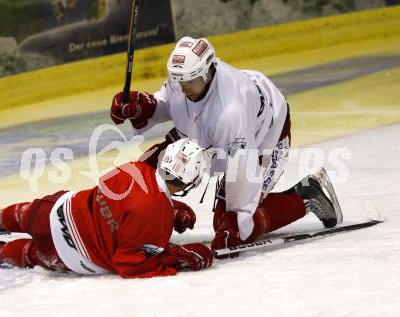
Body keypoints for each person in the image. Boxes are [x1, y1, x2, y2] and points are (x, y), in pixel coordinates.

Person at [109, 36, 343, 257]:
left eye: (188, 81)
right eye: (178, 80)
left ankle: (306, 195)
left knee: (238, 228)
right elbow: (171, 102)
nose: (182, 88)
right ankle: (128, 218)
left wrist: (235, 222)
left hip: (263, 139)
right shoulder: (187, 76)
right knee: (145, 172)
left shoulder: (232, 113)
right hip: (207, 129)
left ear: (208, 72)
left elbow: (242, 171)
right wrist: (143, 107)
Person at [0, 139, 213, 278]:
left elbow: (125, 200)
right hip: (70, 255)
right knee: (34, 254)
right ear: (190, 181)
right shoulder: (157, 219)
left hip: (54, 212)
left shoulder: (132, 169)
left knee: (29, 213)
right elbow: (128, 264)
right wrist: (171, 259)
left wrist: (167, 212)